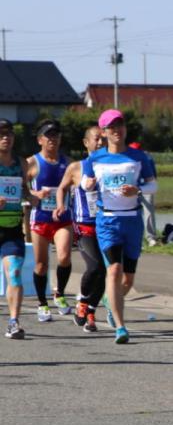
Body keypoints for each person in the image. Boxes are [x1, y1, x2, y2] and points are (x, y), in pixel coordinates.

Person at [81, 109, 158, 344]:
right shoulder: (94, 159)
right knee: (113, 270)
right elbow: (84, 184)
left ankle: (109, 301)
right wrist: (89, 184)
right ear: (104, 132)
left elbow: (153, 186)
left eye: (120, 125)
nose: (117, 130)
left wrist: (138, 190)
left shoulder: (139, 157)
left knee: (128, 280)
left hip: (132, 220)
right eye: (111, 127)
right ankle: (121, 327)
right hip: (108, 220)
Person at [55, 127, 105, 332]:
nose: (101, 142)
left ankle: (90, 311)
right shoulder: (77, 167)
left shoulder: (111, 165)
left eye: (103, 139)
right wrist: (61, 205)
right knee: (95, 268)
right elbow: (62, 187)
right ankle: (83, 301)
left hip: (107, 224)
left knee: (106, 272)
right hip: (84, 226)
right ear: (86, 143)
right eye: (96, 139)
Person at [26, 120, 72, 322]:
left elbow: (79, 186)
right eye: (48, 136)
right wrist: (34, 194)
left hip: (63, 218)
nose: (53, 139)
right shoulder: (31, 163)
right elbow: (19, 187)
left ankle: (59, 293)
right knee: (41, 265)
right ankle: (42, 303)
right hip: (40, 219)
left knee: (64, 257)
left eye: (56, 135)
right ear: (39, 140)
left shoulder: (69, 163)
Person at [0, 119, 30, 338]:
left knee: (15, 273)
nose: (5, 137)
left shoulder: (21, 163)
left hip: (11, 227)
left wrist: (34, 197)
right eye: (1, 134)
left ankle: (13, 322)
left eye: (9, 133)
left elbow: (25, 191)